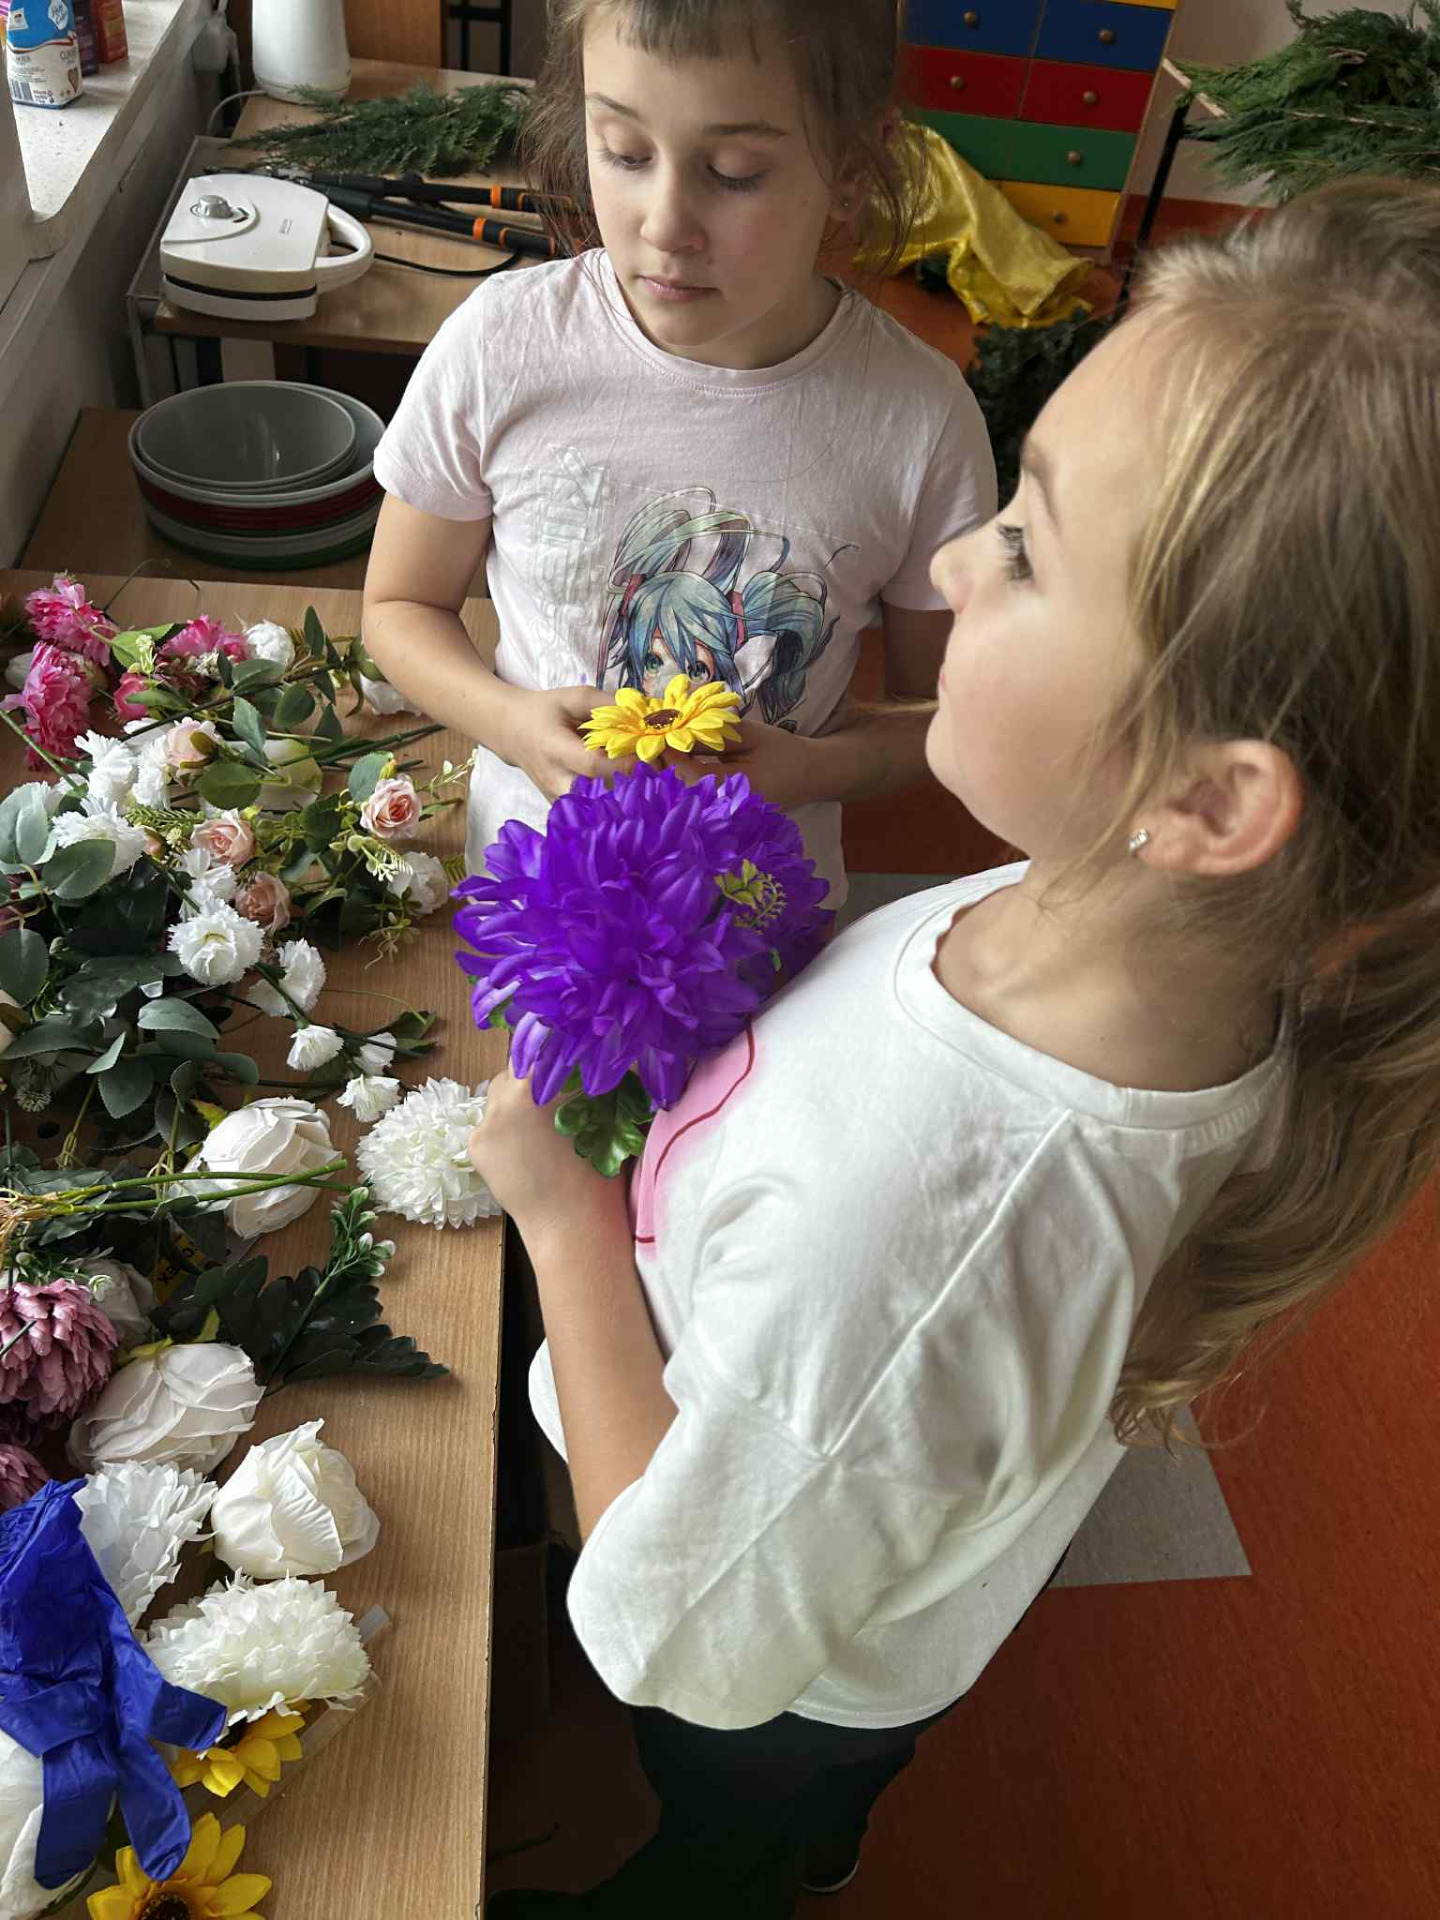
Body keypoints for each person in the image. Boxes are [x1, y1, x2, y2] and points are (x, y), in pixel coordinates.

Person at [468, 177, 1440, 1917]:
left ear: (1209, 802)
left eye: (1027, 545)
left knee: (721, 1837)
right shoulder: (1109, 916)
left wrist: (562, 1220)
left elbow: (678, 1647)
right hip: (797, 1494)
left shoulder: (913, 1228)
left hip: (762, 1684)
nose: (948, 564)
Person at [361, 0, 996, 910]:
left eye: (735, 173)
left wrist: (810, 769)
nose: (665, 224)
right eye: (624, 152)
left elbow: (937, 717)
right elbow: (399, 606)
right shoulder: (504, 347)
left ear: (853, 172)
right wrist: (511, 722)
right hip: (532, 909)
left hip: (768, 926)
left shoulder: (920, 421)